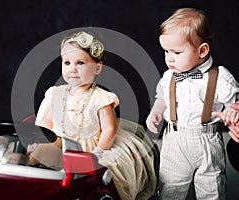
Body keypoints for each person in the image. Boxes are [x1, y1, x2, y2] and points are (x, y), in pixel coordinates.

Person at [28, 31, 158, 200]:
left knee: (90, 183)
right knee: (38, 167)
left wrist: (99, 152)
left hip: (89, 149)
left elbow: (109, 129)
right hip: (62, 144)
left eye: (80, 63)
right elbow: (46, 121)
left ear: (97, 67)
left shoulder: (101, 98)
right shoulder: (56, 94)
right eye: (67, 62)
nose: (72, 69)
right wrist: (40, 140)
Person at [146, 8, 239, 199]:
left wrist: (233, 112)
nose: (169, 58)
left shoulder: (220, 77)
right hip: (174, 140)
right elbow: (162, 98)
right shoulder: (169, 76)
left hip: (207, 141)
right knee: (169, 188)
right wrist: (156, 111)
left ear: (202, 50)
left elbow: (235, 104)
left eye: (176, 52)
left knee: (212, 188)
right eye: (166, 51)